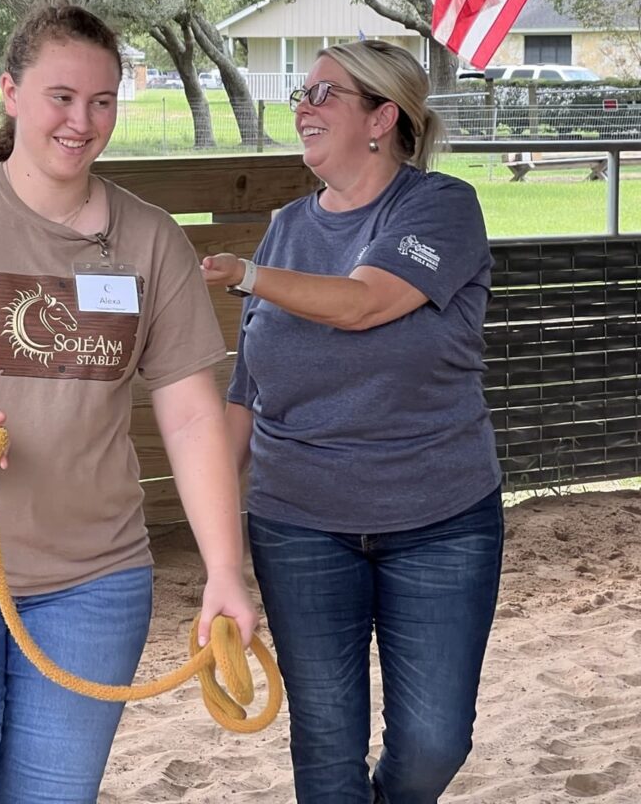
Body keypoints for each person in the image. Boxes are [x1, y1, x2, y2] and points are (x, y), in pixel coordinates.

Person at [0, 3, 258, 803]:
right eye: (61, 97)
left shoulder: (151, 240)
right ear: (11, 93)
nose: (81, 122)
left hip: (94, 583)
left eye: (102, 101)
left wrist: (225, 570)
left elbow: (194, 415)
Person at [202, 39, 503, 804]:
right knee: (326, 745)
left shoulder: (440, 206)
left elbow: (364, 303)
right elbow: (246, 390)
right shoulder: (286, 227)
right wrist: (216, 535)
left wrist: (246, 275)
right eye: (300, 94)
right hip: (298, 522)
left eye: (322, 94)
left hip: (439, 520)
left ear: (381, 117)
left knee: (435, 743)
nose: (302, 108)